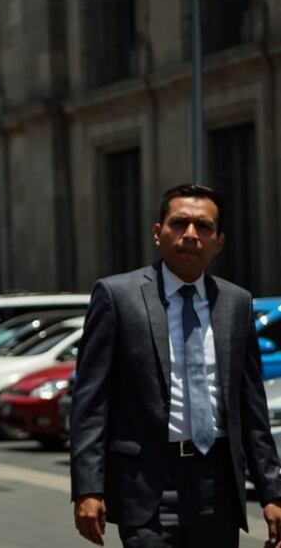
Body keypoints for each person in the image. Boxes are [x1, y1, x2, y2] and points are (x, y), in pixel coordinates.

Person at [70, 183, 281, 547]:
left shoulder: (237, 303)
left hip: (218, 487)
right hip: (149, 487)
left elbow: (252, 408)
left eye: (204, 227)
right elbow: (91, 402)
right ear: (158, 233)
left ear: (219, 242)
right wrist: (88, 488)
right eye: (179, 223)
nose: (191, 235)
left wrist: (272, 492)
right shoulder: (117, 296)